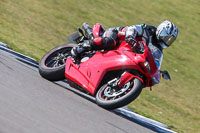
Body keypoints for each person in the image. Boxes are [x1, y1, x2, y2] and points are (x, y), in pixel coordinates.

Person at [71, 20, 178, 69]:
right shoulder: (148, 29)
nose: (166, 40)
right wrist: (131, 37)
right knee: (110, 42)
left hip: (127, 53)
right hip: (118, 36)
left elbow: (154, 59)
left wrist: (157, 71)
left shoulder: (158, 48)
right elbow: (133, 28)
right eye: (166, 36)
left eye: (170, 40)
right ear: (161, 30)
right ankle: (81, 47)